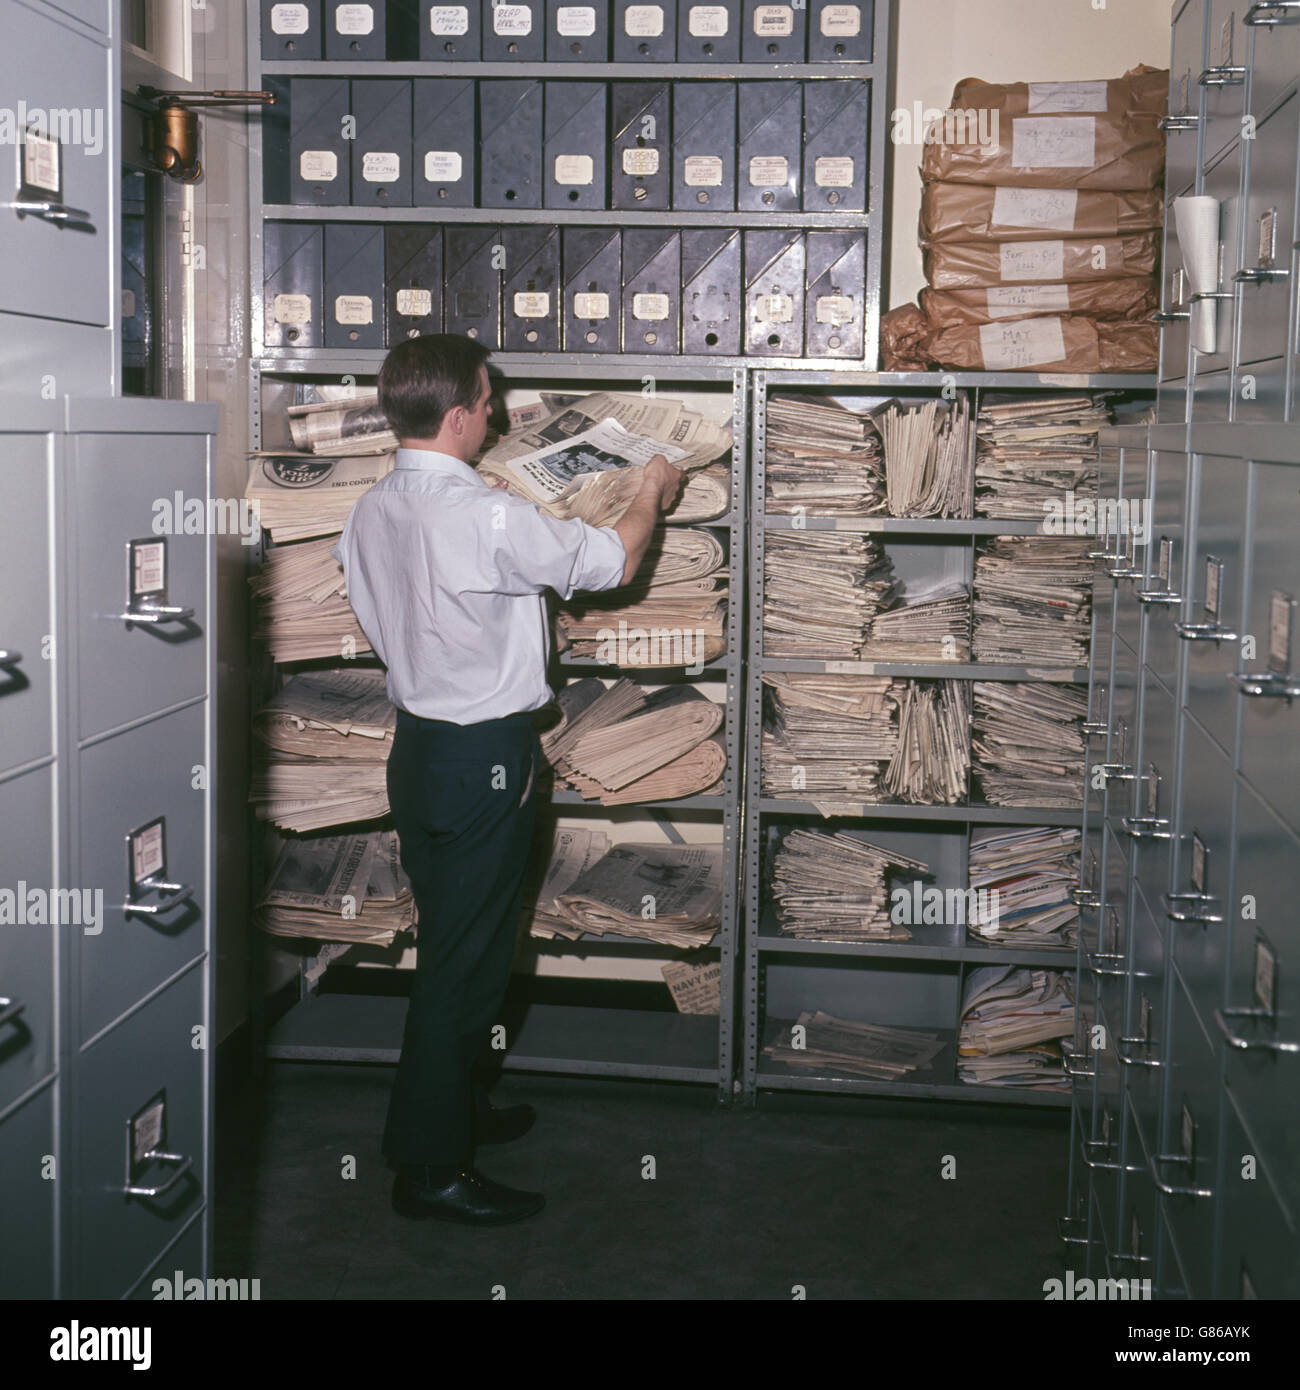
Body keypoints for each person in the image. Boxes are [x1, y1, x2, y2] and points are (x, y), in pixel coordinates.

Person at [332, 335, 682, 1226]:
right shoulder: (486, 518)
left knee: (466, 946)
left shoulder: (373, 508)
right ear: (456, 416)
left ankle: (460, 1110)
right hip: (485, 757)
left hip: (421, 752)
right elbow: (613, 563)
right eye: (487, 401)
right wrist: (649, 492)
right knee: (463, 965)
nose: (493, 411)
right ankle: (430, 1169)